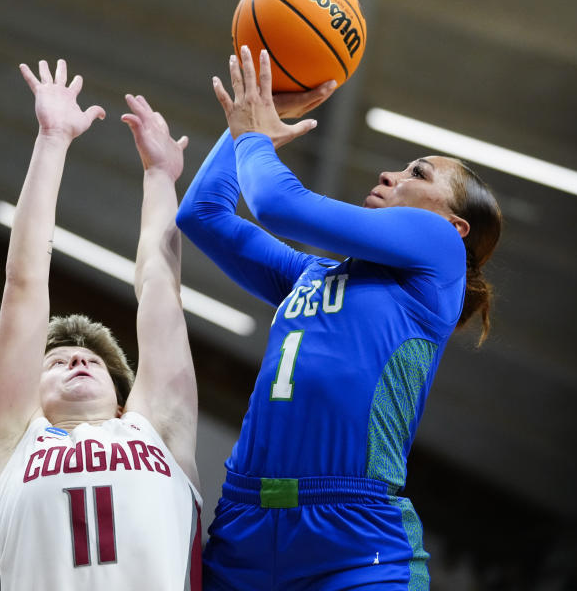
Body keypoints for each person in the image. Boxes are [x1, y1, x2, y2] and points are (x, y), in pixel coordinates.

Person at [176, 45, 502, 590]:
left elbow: (278, 204)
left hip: (353, 536)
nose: (391, 172)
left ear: (455, 223)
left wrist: (256, 136)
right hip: (244, 524)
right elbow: (202, 215)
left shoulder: (440, 249)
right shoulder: (310, 275)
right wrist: (252, 116)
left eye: (416, 172)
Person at [0, 59, 202, 590]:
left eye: (90, 360)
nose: (76, 359)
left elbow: (159, 291)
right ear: (26, 394)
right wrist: (52, 139)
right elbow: (24, 284)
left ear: (124, 399)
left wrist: (160, 177)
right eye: (55, 361)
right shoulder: (14, 440)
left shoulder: (159, 430)